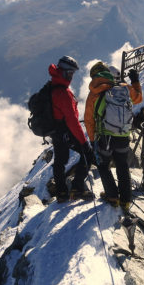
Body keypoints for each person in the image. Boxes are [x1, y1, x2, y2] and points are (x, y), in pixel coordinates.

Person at [84, 61, 143, 211]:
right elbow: (138, 99)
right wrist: (135, 81)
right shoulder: (124, 88)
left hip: (105, 138)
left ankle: (112, 197)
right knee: (122, 165)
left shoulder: (94, 94)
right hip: (123, 135)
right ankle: (125, 200)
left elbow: (89, 120)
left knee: (103, 166)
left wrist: (92, 140)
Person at [49, 55, 94, 201]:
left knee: (60, 161)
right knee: (88, 155)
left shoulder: (53, 85)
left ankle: (62, 193)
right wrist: (84, 142)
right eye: (70, 73)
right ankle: (77, 188)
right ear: (63, 72)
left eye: (72, 73)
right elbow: (72, 121)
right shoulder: (63, 93)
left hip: (56, 130)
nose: (71, 76)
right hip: (66, 131)